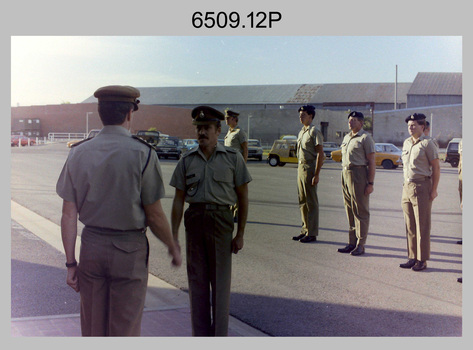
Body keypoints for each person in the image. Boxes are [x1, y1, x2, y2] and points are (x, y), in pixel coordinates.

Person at [56, 85, 182, 336]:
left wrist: (71, 263)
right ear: (129, 114)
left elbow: (68, 214)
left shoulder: (78, 152)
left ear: (101, 113)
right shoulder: (143, 153)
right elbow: (154, 214)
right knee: (124, 328)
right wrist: (171, 245)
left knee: (93, 327)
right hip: (129, 251)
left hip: (92, 247)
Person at [170, 106, 252, 336]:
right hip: (194, 220)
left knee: (220, 286)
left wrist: (241, 233)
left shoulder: (233, 159)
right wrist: (173, 235)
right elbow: (178, 200)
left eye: (207, 128)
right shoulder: (187, 160)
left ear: (218, 130)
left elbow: (243, 197)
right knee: (196, 286)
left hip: (221, 221)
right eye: (199, 128)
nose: (202, 132)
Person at [399, 113, 440, 272]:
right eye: (409, 125)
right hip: (407, 187)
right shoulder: (406, 143)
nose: (410, 127)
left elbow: (436, 168)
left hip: (422, 186)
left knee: (422, 225)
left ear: (422, 127)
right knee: (410, 225)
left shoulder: (428, 144)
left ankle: (422, 260)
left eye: (414, 125)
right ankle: (412, 256)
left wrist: (434, 189)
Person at [337, 111, 376, 256]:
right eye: (349, 120)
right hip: (345, 174)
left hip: (359, 174)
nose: (350, 122)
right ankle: (351, 242)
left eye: (353, 120)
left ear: (361, 122)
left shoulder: (365, 138)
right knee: (350, 210)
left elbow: (371, 161)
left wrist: (370, 183)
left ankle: (361, 244)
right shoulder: (347, 137)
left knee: (361, 211)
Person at [292, 105, 324, 243]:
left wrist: (316, 174)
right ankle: (305, 229)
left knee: (311, 202)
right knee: (302, 201)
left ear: (311, 116)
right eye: (300, 114)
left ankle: (312, 232)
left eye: (304, 114)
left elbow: (320, 154)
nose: (301, 116)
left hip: (310, 168)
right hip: (300, 167)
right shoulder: (301, 132)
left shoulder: (314, 132)